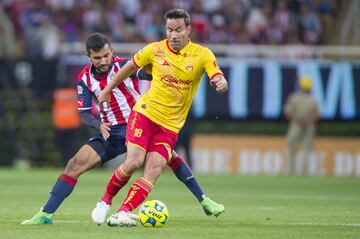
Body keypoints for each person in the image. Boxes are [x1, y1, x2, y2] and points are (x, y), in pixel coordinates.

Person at [21, 32, 222, 225]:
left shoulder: (125, 66)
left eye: (106, 55)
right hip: (109, 131)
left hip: (138, 124)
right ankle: (45, 214)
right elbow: (82, 112)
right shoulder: (84, 78)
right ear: (88, 56)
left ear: (112, 52)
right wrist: (98, 124)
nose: (103, 61)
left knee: (168, 156)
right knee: (75, 164)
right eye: (97, 57)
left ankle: (203, 199)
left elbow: (153, 74)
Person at [96, 8, 228, 227]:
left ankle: (122, 212)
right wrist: (109, 88)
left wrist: (221, 84)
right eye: (169, 30)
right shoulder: (154, 49)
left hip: (169, 127)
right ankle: (104, 201)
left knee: (154, 170)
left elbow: (219, 78)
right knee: (134, 161)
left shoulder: (202, 54)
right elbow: (129, 67)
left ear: (188, 30)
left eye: (178, 30)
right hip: (145, 114)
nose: (173, 35)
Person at [284, 75, 320, 175]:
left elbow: (287, 113)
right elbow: (317, 115)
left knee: (290, 146)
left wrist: (298, 120)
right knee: (306, 149)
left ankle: (290, 171)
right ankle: (304, 172)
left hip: (296, 125)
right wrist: (309, 122)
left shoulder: (294, 98)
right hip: (309, 126)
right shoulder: (313, 100)